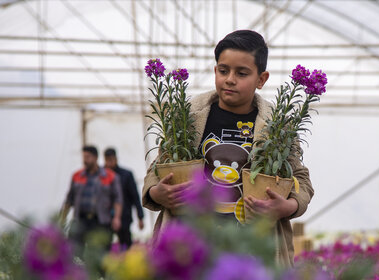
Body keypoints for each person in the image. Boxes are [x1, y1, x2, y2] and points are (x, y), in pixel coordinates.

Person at [142, 30, 314, 267]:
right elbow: (157, 168)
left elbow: (301, 179)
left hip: (252, 250)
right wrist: (155, 192)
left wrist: (287, 206)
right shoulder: (188, 115)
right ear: (216, 71)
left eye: (242, 73)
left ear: (261, 79)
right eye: (223, 71)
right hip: (191, 246)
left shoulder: (277, 125)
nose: (230, 79)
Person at [61, 145, 122, 252]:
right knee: (74, 251)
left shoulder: (110, 176)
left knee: (100, 253)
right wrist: (62, 218)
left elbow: (118, 199)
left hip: (100, 221)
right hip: (80, 220)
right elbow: (69, 199)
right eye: (84, 157)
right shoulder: (77, 175)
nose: (85, 160)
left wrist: (116, 217)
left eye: (88, 157)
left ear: (95, 157)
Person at [103, 147, 145, 250]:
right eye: (107, 159)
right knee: (105, 245)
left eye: (112, 159)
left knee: (126, 244)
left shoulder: (126, 175)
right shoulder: (101, 175)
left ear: (116, 158)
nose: (110, 162)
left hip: (124, 216)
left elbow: (135, 196)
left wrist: (140, 217)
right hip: (105, 217)